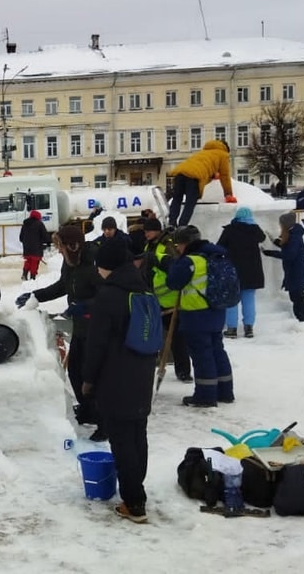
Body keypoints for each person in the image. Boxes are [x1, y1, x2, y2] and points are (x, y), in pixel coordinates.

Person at [82, 238, 156, 524]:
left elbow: (96, 345)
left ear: (108, 266)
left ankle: (134, 502)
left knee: (122, 440)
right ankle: (137, 490)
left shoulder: (109, 296)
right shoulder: (142, 289)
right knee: (138, 433)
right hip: (142, 373)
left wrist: (88, 379)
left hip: (116, 377)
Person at [32, 226, 103, 438]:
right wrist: (36, 295)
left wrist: (85, 306)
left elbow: (108, 295)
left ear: (73, 245)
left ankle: (105, 420)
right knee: (75, 371)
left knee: (94, 374)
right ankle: (89, 409)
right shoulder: (70, 262)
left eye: (61, 246)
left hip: (98, 327)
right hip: (81, 326)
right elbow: (63, 285)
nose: (59, 251)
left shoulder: (92, 264)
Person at [165, 226, 234, 407]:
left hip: (196, 315)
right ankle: (225, 391)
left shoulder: (190, 261)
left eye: (178, 244)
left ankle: (205, 395)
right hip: (216, 311)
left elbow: (172, 282)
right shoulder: (217, 255)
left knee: (202, 355)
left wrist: (174, 262)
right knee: (217, 351)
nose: (177, 248)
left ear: (184, 243)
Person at [138, 218, 191, 384]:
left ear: (157, 231)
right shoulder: (148, 246)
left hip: (170, 298)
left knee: (177, 337)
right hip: (153, 298)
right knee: (153, 334)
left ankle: (183, 371)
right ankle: (149, 366)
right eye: (145, 231)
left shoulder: (168, 245)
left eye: (149, 230)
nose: (146, 233)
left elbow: (176, 266)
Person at [216, 207, 266, 338]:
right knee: (249, 300)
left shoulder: (230, 230)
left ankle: (232, 329)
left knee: (232, 300)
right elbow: (263, 238)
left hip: (233, 271)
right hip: (252, 272)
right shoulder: (255, 229)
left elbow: (219, 247)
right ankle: (249, 328)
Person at [263, 212, 304, 331]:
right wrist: (275, 241)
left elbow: (290, 254)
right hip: (296, 271)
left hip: (297, 272)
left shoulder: (294, 236)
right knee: (297, 297)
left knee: (298, 298)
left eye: (281, 224)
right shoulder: (293, 234)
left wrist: (271, 253)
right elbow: (288, 247)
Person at [167, 140, 234, 227]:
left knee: (177, 199)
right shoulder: (223, 154)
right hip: (194, 177)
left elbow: (203, 165)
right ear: (226, 149)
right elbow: (224, 175)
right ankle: (182, 227)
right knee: (190, 203)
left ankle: (171, 224)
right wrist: (228, 194)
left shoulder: (204, 151)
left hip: (180, 173)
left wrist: (213, 175)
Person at [19, 210, 51, 281]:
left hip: (27, 248)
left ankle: (24, 273)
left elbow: (21, 237)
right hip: (36, 248)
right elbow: (45, 235)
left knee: (28, 260)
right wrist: (48, 242)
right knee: (34, 262)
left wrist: (25, 242)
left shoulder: (25, 224)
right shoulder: (39, 224)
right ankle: (32, 278)